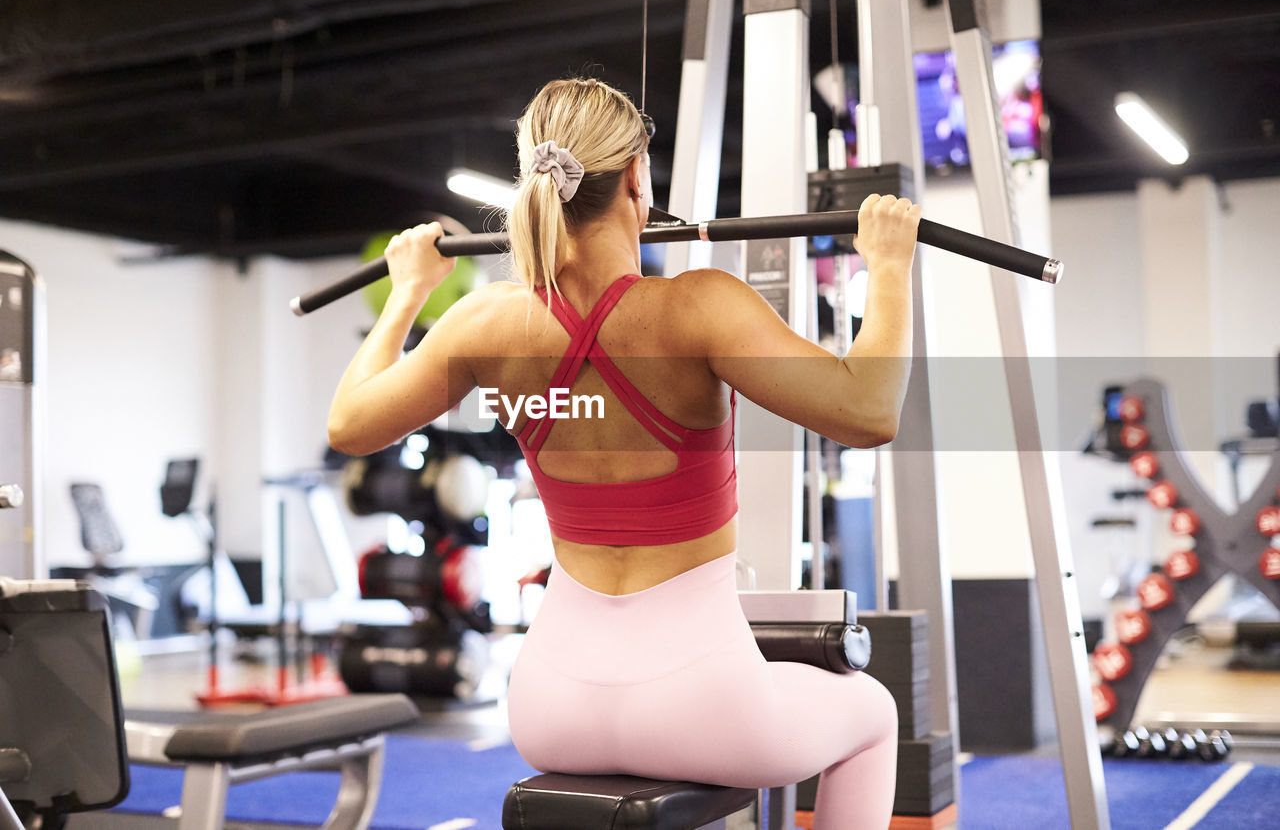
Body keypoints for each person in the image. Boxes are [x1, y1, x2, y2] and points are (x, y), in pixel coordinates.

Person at [329, 77, 921, 829]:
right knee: (871, 710)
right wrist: (890, 267)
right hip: (703, 704)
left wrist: (407, 294)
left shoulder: (484, 325)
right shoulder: (698, 307)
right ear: (638, 179)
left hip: (548, 706)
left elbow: (348, 422)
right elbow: (868, 411)